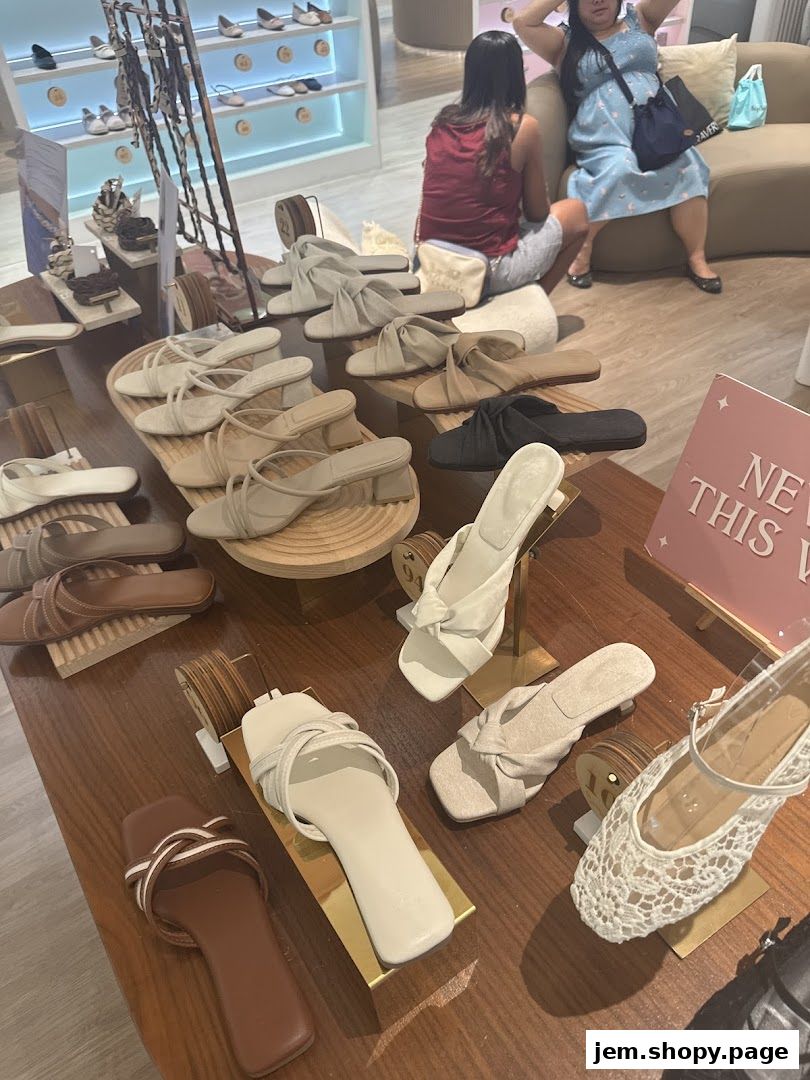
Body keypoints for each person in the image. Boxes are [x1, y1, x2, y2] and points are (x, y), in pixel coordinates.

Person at [513, 0, 722, 293]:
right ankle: (582, 249)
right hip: (603, 133)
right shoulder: (564, 42)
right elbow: (522, 23)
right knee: (617, 168)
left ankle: (696, 257)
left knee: (689, 164)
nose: (598, 1)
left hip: (656, 128)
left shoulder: (641, 19)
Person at [417, 30, 589, 297]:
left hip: (428, 260)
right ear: (516, 74)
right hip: (482, 271)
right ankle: (533, 301)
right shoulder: (521, 127)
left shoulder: (442, 122)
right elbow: (537, 213)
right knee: (575, 213)